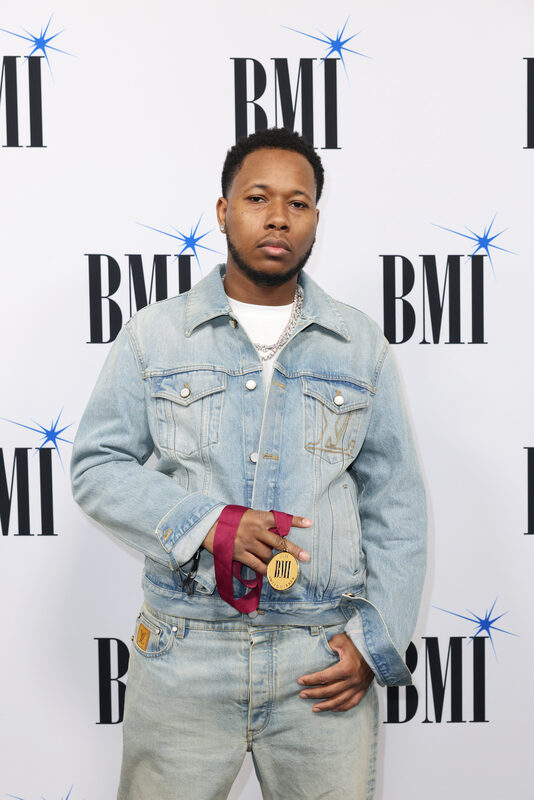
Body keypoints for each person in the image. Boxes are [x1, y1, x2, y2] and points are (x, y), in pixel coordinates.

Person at [71, 127, 426, 800]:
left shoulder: (360, 346)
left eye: (299, 202)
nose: (278, 217)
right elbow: (96, 466)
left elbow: (396, 506)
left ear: (316, 218)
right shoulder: (155, 333)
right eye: (258, 197)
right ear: (223, 210)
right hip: (185, 652)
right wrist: (205, 521)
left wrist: (374, 641)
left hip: (318, 659)